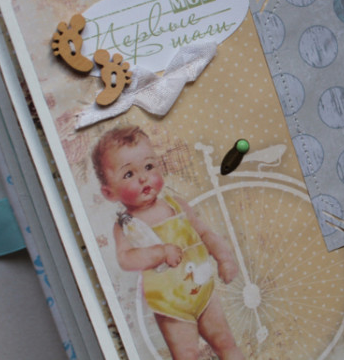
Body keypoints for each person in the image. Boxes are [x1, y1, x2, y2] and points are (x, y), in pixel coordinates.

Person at [92, 126, 243, 360]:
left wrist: (224, 258)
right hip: (170, 306)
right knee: (186, 355)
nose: (143, 177)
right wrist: (160, 253)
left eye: (148, 166)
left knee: (226, 343)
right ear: (110, 193)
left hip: (203, 291)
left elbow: (205, 233)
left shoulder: (176, 205)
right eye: (129, 174)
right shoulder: (126, 226)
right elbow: (126, 259)